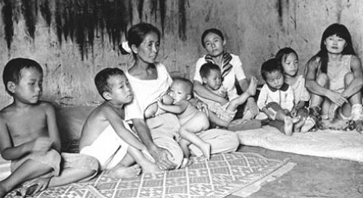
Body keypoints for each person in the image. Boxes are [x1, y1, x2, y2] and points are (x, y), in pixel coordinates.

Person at [120, 23, 239, 171]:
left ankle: (185, 148)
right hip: (156, 128)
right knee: (173, 159)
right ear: (135, 48)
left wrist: (195, 101)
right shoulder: (127, 81)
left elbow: (177, 94)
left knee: (232, 140)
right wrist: (154, 150)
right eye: (149, 45)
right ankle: (171, 152)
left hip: (180, 123)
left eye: (157, 45)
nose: (155, 50)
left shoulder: (160, 68)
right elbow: (138, 122)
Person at [0, 58, 99, 198]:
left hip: (53, 158)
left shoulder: (46, 108)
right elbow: (6, 153)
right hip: (24, 165)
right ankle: (6, 184)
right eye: (32, 84)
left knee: (91, 164)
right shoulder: (3, 116)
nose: (39, 89)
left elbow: (56, 145)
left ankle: (42, 182)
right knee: (50, 155)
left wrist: (50, 172)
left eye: (40, 83)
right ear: (12, 87)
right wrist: (29, 146)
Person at [79, 68, 159, 179]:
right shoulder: (106, 109)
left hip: (108, 159)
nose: (128, 89)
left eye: (128, 84)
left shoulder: (124, 108)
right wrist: (144, 148)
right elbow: (121, 132)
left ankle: (117, 169)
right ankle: (144, 163)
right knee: (123, 129)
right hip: (90, 157)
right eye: (121, 87)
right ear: (108, 96)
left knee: (135, 135)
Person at [304, 23, 363, 133]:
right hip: (324, 110)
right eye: (331, 39)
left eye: (340, 40)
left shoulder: (352, 59)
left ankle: (357, 118)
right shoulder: (316, 61)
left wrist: (338, 101)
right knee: (322, 77)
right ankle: (313, 116)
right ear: (324, 42)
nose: (335, 43)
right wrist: (329, 94)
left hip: (345, 109)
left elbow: (360, 80)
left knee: (350, 77)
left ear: (346, 44)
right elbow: (308, 83)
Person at [192, 28, 259, 120]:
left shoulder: (234, 59)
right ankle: (240, 120)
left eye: (216, 40)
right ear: (205, 48)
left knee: (257, 103)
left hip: (234, 101)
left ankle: (243, 118)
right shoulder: (202, 62)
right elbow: (196, 87)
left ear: (223, 41)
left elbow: (242, 82)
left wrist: (250, 99)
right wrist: (220, 100)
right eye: (208, 43)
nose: (213, 45)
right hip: (213, 104)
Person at [257, 58, 299, 136]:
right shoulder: (265, 88)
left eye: (278, 78)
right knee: (273, 107)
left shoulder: (288, 88)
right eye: (271, 80)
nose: (276, 82)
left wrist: (286, 110)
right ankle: (285, 121)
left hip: (284, 112)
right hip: (270, 112)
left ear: (283, 74)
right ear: (266, 81)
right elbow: (260, 102)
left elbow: (290, 102)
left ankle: (286, 127)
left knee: (278, 122)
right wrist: (264, 109)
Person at [275, 47, 313, 132]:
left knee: (303, 112)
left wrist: (296, 108)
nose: (293, 66)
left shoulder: (301, 80)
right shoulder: (278, 82)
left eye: (295, 62)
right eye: (288, 63)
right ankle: (289, 124)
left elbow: (303, 101)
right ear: (280, 65)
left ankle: (299, 124)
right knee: (277, 115)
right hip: (283, 110)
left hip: (297, 108)